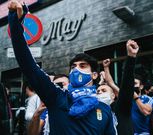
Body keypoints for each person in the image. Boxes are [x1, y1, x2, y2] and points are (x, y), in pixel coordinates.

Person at [8, 1, 115, 134]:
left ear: (94, 75)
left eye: (82, 66)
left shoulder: (104, 109)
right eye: (73, 67)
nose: (76, 70)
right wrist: (15, 22)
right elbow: (27, 64)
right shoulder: (56, 97)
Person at [96, 39, 139, 135]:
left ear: (113, 96)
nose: (99, 92)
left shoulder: (120, 107)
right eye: (98, 91)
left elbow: (126, 86)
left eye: (103, 90)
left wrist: (131, 57)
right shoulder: (95, 112)